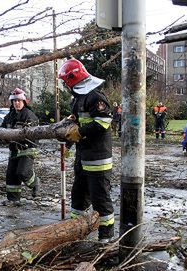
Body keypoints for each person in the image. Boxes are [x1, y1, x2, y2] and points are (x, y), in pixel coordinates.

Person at [58, 58, 115, 242]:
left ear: (72, 79)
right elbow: (76, 125)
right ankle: (76, 230)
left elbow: (103, 122)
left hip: (98, 159)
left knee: (100, 200)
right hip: (82, 159)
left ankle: (106, 237)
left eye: (65, 81)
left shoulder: (95, 97)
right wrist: (68, 143)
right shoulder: (78, 99)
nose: (65, 85)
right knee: (78, 198)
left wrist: (79, 132)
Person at [0, 88, 40, 207]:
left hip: (27, 148)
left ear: (23, 101)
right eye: (14, 101)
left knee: (22, 172)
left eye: (19, 100)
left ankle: (35, 182)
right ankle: (13, 200)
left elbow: (30, 135)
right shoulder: (10, 116)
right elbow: (2, 128)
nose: (16, 103)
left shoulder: (29, 115)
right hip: (14, 150)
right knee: (11, 175)